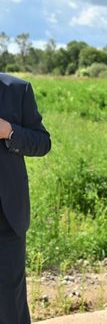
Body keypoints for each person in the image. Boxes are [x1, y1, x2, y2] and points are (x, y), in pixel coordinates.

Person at [0, 73, 51, 323]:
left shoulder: (17, 89)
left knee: (10, 302)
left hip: (6, 217)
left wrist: (10, 132)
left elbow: (43, 142)